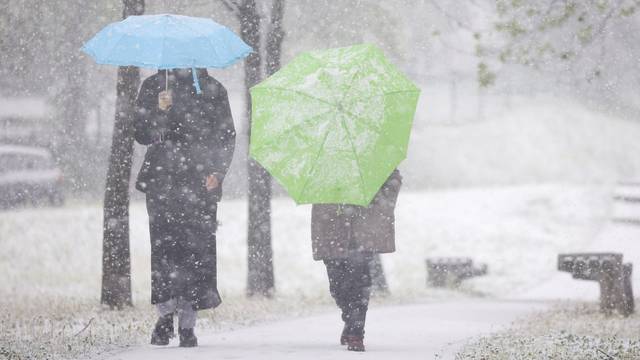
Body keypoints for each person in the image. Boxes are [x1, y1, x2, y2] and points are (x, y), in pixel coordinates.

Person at [133, 68, 236, 347]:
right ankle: (165, 316)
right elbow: (141, 133)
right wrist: (158, 110)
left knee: (196, 250)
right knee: (164, 248)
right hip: (162, 181)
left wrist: (218, 171)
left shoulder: (212, 88)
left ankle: (188, 323)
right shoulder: (155, 85)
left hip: (199, 181)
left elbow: (226, 135)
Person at [311, 169, 402, 352]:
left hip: (362, 230)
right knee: (337, 286)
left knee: (360, 281)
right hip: (331, 230)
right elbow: (312, 186)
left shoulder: (372, 153)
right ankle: (349, 317)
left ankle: (356, 332)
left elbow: (393, 180)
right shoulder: (323, 161)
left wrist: (377, 199)